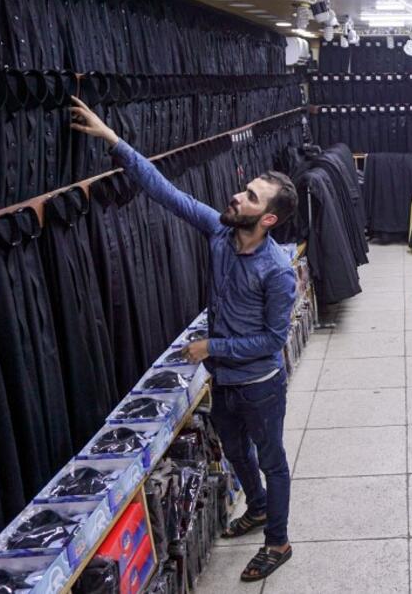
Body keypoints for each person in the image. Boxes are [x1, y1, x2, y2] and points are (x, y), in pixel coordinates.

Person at [69, 97, 298, 582]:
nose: (238, 196)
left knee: (273, 460)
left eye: (251, 198)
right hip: (225, 382)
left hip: (259, 384)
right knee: (236, 451)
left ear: (269, 220)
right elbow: (164, 191)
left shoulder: (277, 271)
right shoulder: (219, 231)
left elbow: (272, 339)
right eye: (245, 189)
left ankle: (278, 542)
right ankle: (256, 507)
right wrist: (113, 139)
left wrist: (211, 347)